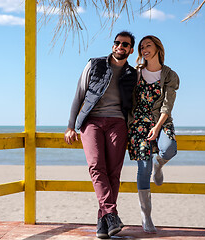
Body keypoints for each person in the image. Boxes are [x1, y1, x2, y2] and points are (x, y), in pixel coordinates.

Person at [64, 31, 137, 239]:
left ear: (130, 50)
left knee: (113, 173)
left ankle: (102, 222)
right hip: (92, 121)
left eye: (125, 44)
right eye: (117, 43)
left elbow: (134, 104)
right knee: (96, 166)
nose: (120, 46)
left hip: (118, 123)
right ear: (113, 45)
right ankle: (112, 214)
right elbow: (79, 94)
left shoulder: (133, 74)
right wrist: (71, 126)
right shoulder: (95, 64)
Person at [127, 35, 179, 233]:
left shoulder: (169, 74)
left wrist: (157, 128)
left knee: (168, 150)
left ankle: (160, 164)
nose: (144, 49)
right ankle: (146, 216)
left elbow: (168, 104)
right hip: (139, 123)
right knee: (143, 169)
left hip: (161, 120)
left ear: (158, 47)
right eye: (142, 47)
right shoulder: (137, 73)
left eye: (148, 45)